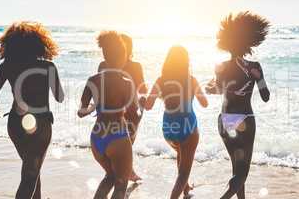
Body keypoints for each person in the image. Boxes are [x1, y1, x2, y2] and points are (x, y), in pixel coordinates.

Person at [0, 21, 64, 199]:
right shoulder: (48, 67)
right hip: (41, 124)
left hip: (15, 124)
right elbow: (59, 97)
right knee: (31, 173)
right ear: (40, 44)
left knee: (31, 170)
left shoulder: (6, 66)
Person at [205, 11, 270, 199]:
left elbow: (216, 91)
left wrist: (211, 87)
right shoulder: (254, 67)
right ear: (249, 41)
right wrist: (259, 79)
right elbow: (265, 97)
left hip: (225, 120)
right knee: (242, 174)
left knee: (236, 168)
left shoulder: (220, 67)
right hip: (245, 120)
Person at [78, 31, 138, 199]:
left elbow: (81, 112)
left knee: (110, 177)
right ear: (122, 56)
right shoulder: (127, 83)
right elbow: (134, 112)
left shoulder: (92, 80)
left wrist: (91, 108)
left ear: (105, 55)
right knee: (121, 184)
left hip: (97, 137)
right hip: (117, 135)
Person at [144, 46, 208, 199]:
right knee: (184, 171)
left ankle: (186, 189)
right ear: (186, 62)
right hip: (188, 126)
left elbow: (148, 106)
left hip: (169, 128)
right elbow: (204, 103)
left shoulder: (161, 80)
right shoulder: (191, 80)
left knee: (181, 152)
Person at [98, 33, 147, 182]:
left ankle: (122, 171)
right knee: (127, 143)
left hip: (108, 111)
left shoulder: (103, 65)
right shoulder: (135, 66)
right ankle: (124, 172)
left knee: (116, 143)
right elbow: (142, 89)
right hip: (130, 110)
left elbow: (99, 86)